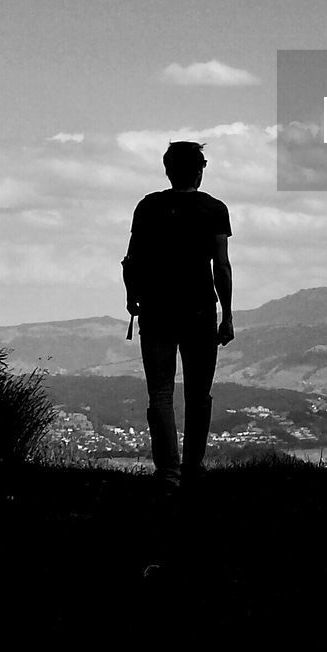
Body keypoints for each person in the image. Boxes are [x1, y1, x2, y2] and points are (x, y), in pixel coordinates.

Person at [122, 140, 234, 489]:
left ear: (167, 169)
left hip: (156, 311)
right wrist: (227, 314)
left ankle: (167, 473)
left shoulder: (148, 207)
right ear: (200, 170)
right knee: (198, 395)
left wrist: (133, 299)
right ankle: (192, 468)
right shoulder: (214, 209)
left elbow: (131, 261)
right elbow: (222, 268)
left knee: (160, 395)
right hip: (200, 311)